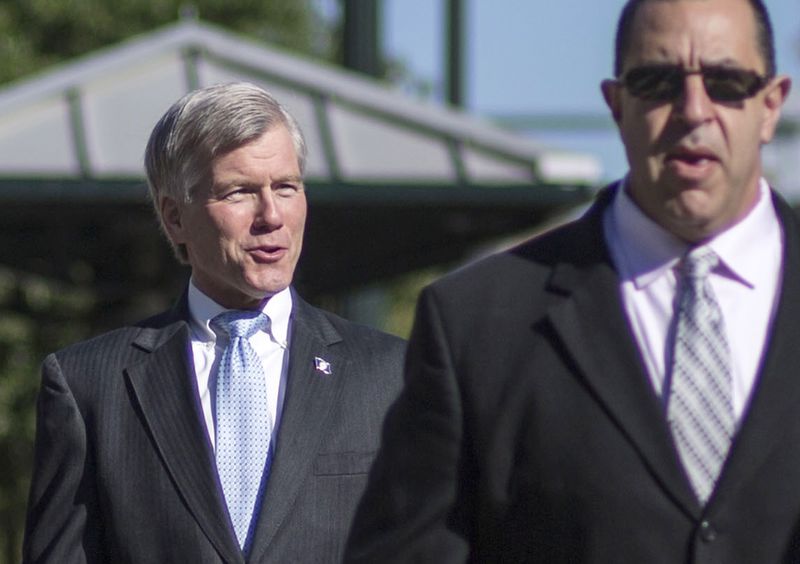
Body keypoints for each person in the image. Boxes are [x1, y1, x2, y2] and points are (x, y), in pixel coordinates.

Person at [344, 0, 798, 561]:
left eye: (726, 82)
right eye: (658, 81)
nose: (693, 109)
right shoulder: (478, 325)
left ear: (772, 104)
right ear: (616, 103)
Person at [23, 82, 405, 563]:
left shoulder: (392, 375)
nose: (271, 215)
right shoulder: (89, 387)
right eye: (239, 192)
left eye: (286, 187)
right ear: (175, 217)